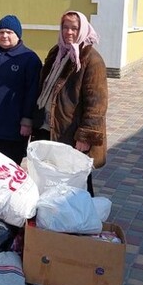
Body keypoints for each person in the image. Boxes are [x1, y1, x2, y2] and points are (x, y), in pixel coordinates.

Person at [33, 10, 108, 196]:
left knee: (78, 183)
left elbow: (96, 103)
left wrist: (85, 136)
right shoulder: (56, 53)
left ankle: (86, 220)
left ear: (82, 29)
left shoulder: (91, 59)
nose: (69, 32)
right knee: (52, 180)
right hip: (50, 127)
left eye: (74, 28)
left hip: (71, 133)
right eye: (65, 27)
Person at [0, 15, 42, 165]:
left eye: (9, 32)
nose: (4, 36)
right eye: (1, 32)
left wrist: (27, 121)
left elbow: (32, 92)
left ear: (17, 35)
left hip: (13, 131)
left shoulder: (29, 59)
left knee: (8, 170)